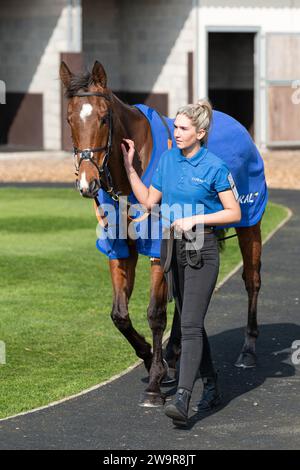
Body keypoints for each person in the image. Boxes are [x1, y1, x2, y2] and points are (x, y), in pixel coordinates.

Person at [121, 99, 241, 427]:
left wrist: (197, 219)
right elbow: (147, 201)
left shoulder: (215, 166)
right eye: (174, 126)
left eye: (183, 128)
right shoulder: (168, 160)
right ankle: (212, 382)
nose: (176, 132)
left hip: (202, 249)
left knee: (187, 325)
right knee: (193, 321)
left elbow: (234, 212)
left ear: (200, 133)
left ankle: (183, 399)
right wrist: (130, 167)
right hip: (172, 249)